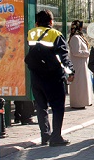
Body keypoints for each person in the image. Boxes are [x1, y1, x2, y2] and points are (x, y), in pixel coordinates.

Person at [27, 9, 75, 146]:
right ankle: (56, 137)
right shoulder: (55, 34)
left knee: (41, 107)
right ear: (51, 22)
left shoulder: (31, 33)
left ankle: (45, 136)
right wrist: (71, 71)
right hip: (53, 76)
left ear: (37, 22)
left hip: (36, 76)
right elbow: (63, 56)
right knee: (58, 107)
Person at [68, 20, 93, 109]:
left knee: (83, 84)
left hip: (82, 64)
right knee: (79, 84)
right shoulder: (75, 38)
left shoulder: (79, 37)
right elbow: (76, 51)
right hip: (78, 65)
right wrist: (88, 52)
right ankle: (78, 102)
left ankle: (83, 101)